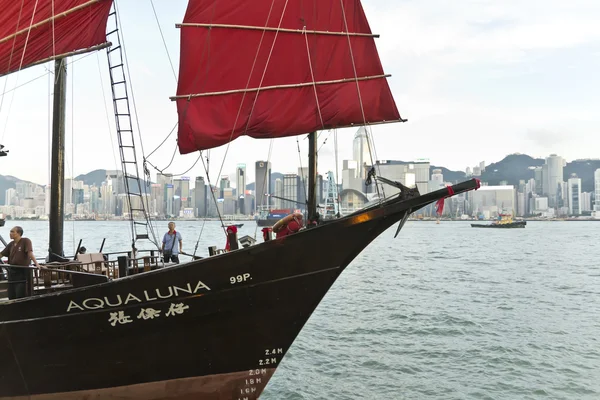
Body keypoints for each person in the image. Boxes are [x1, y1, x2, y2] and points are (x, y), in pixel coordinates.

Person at [0, 226, 40, 299]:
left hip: (22, 272)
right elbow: (1, 254)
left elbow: (30, 253)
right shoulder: (11, 244)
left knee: (20, 293)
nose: (10, 233)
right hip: (12, 272)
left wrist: (37, 264)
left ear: (19, 233)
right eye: (10, 232)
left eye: (12, 232)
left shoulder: (25, 241)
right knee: (11, 294)